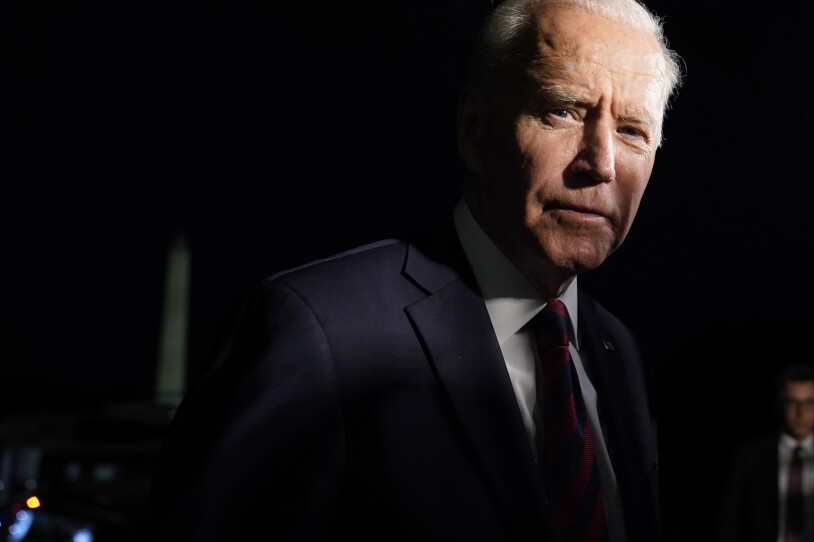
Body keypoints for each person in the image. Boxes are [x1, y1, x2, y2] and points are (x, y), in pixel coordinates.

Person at [151, 0, 682, 540]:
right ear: (474, 129)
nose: (602, 163)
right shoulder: (314, 330)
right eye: (562, 110)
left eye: (633, 131)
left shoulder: (620, 354)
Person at [716, 365, 814, 542]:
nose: (800, 412)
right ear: (779, 406)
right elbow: (729, 521)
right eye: (792, 402)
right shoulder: (750, 456)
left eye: (809, 403)